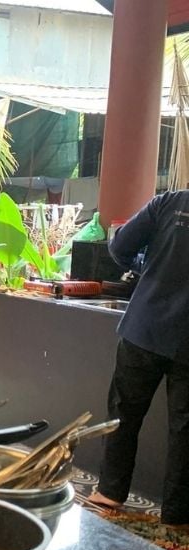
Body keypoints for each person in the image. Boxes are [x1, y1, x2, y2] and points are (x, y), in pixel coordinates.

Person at [87, 191, 189, 526]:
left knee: (124, 413)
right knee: (184, 429)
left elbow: (119, 247)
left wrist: (146, 266)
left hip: (144, 328)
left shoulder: (169, 203)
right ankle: (176, 516)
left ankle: (109, 494)